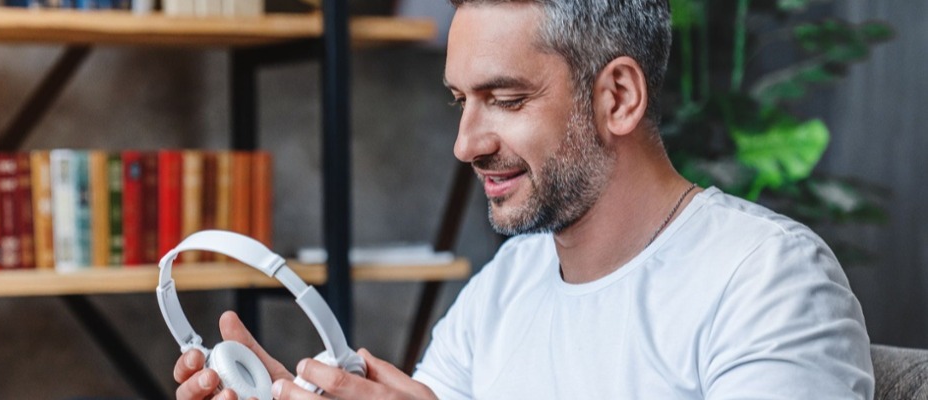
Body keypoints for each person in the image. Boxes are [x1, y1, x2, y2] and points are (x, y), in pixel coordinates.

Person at [173, 0, 875, 398]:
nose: (466, 142)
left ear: (619, 97)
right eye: (460, 101)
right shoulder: (505, 288)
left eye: (505, 99)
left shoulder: (768, 281)